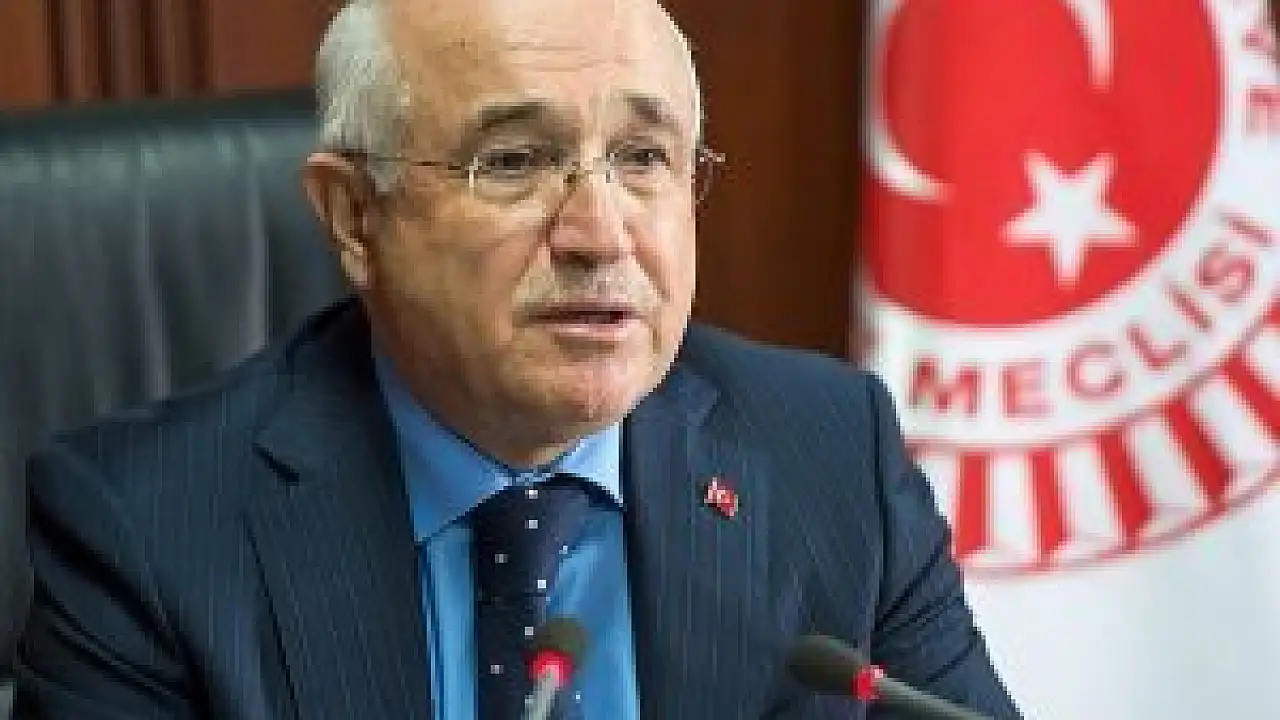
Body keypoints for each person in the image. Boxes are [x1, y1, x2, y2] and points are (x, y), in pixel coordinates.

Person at [15, 0, 1020, 717]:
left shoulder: (829, 455)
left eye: (642, 158)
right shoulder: (147, 530)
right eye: (514, 162)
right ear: (354, 215)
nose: (600, 233)